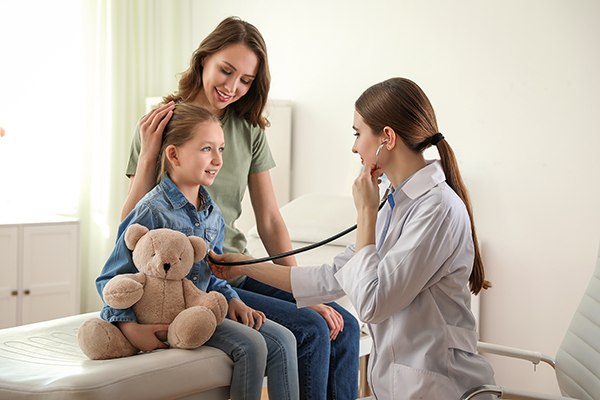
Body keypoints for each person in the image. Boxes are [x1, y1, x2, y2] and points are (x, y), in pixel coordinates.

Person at [209, 77, 497, 399]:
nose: (354, 146)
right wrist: (246, 266)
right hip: (400, 386)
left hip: (438, 387)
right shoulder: (397, 203)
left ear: (387, 137)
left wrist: (365, 214)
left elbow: (373, 303)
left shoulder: (436, 209)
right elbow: (331, 277)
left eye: (358, 133)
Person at [122, 16, 360, 400]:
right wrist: (150, 153)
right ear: (204, 60)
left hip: (235, 266)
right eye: (226, 71)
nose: (232, 87)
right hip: (190, 279)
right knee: (312, 330)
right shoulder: (162, 125)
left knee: (344, 326)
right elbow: (129, 227)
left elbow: (269, 219)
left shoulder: (248, 128)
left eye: (246, 80)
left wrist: (304, 292)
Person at [97, 104, 299, 400]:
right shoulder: (151, 211)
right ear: (174, 155)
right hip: (167, 318)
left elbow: (211, 274)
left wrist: (233, 299)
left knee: (284, 340)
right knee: (253, 345)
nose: (218, 159)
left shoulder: (212, 214)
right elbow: (111, 278)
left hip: (200, 311)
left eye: (221, 149)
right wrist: (129, 328)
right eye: (207, 149)